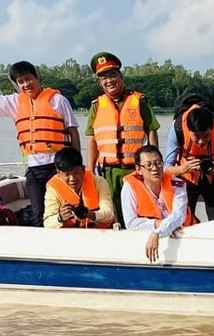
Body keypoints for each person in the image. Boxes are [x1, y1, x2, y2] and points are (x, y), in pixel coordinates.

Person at [0, 62, 81, 227]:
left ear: (37, 77)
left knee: (66, 208)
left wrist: (77, 165)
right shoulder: (15, 102)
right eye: (21, 81)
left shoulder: (58, 100)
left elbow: (73, 131)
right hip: (35, 169)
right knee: (39, 214)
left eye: (29, 79)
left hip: (59, 166)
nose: (26, 84)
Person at [86, 51, 160, 226]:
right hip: (107, 172)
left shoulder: (139, 101)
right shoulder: (96, 106)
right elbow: (92, 139)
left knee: (139, 212)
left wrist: (153, 162)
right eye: (104, 78)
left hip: (135, 169)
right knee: (113, 215)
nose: (109, 81)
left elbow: (151, 131)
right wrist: (90, 170)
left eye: (113, 75)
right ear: (100, 82)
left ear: (121, 77)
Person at [121, 144, 192, 262]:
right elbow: (131, 223)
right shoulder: (129, 187)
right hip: (151, 237)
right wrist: (157, 224)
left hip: (185, 235)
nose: (155, 168)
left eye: (158, 163)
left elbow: (179, 216)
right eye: (149, 165)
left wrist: (157, 233)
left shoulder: (177, 184)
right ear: (138, 169)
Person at [164, 95, 214, 221]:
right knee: (184, 220)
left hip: (213, 178)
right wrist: (183, 169)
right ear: (188, 129)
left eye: (206, 135)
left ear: (212, 128)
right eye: (196, 137)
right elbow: (166, 168)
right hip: (187, 180)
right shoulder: (177, 129)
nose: (201, 141)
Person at [43, 147, 115, 229]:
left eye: (76, 173)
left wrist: (90, 214)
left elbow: (109, 214)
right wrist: (60, 217)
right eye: (67, 174)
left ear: (83, 169)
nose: (72, 179)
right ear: (59, 174)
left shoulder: (99, 182)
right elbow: (47, 222)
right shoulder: (53, 190)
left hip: (100, 233)